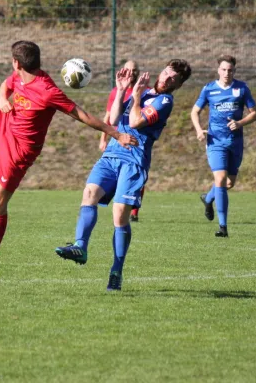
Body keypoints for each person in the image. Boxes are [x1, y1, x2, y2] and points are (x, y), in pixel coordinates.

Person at [0, 40, 138, 292]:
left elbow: (81, 115)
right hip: (5, 123)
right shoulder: (19, 77)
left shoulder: (47, 89)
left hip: (19, 151)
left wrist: (115, 134)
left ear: (16, 63)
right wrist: (2, 99)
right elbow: (6, 84)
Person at [55, 59, 192, 291]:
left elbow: (137, 122)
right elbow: (117, 119)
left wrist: (137, 97)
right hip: (112, 154)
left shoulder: (164, 101)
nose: (167, 78)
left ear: (177, 85)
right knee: (89, 193)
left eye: (173, 79)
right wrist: (121, 91)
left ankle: (116, 270)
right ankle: (80, 246)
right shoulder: (145, 91)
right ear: (162, 71)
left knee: (119, 217)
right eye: (167, 73)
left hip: (134, 161)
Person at [190, 55, 256, 238]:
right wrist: (198, 130)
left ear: (234, 71)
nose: (226, 73)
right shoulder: (209, 89)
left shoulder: (242, 88)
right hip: (215, 142)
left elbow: (255, 114)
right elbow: (195, 111)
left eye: (230, 70)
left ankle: (208, 198)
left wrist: (240, 123)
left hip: (235, 142)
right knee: (220, 179)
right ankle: (223, 227)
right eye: (223, 69)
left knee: (229, 183)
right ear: (218, 70)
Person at [99, 60, 146, 223]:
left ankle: (134, 211)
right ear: (123, 71)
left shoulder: (144, 91)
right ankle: (118, 204)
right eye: (128, 70)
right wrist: (103, 138)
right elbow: (108, 117)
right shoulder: (116, 91)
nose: (131, 73)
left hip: (136, 141)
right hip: (117, 141)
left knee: (136, 175)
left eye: (134, 70)